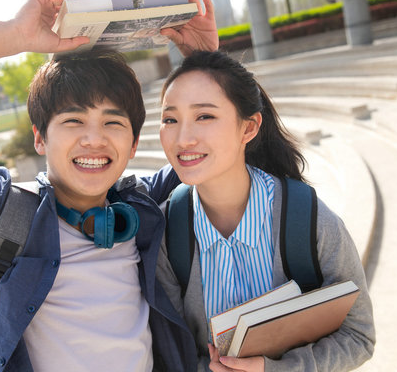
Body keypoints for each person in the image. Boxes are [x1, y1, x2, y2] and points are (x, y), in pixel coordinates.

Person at [0, 0, 218, 372]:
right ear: (39, 137)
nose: (94, 138)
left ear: (134, 142)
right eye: (73, 120)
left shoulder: (143, 205)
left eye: (113, 123)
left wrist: (206, 60)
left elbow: (232, 143)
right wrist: (13, 35)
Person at [154, 51, 376, 372]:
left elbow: (358, 336)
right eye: (170, 119)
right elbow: (178, 356)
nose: (183, 138)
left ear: (249, 128)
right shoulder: (166, 233)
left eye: (204, 116)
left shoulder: (308, 219)